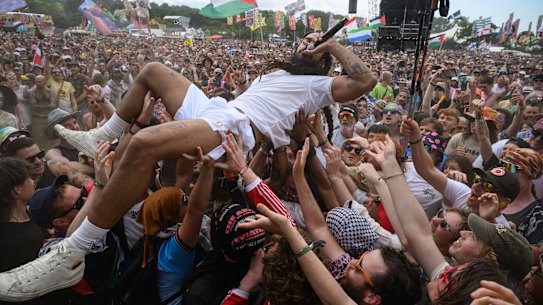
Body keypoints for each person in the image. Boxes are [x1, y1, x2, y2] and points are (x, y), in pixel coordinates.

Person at [0, 32, 377, 301]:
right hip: (218, 111)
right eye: (306, 41)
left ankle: (72, 253)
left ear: (323, 62)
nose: (308, 44)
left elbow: (366, 79)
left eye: (316, 46)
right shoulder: (278, 73)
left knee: (147, 143)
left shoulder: (316, 85)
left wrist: (331, 46)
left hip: (234, 130)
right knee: (152, 71)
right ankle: (104, 132)